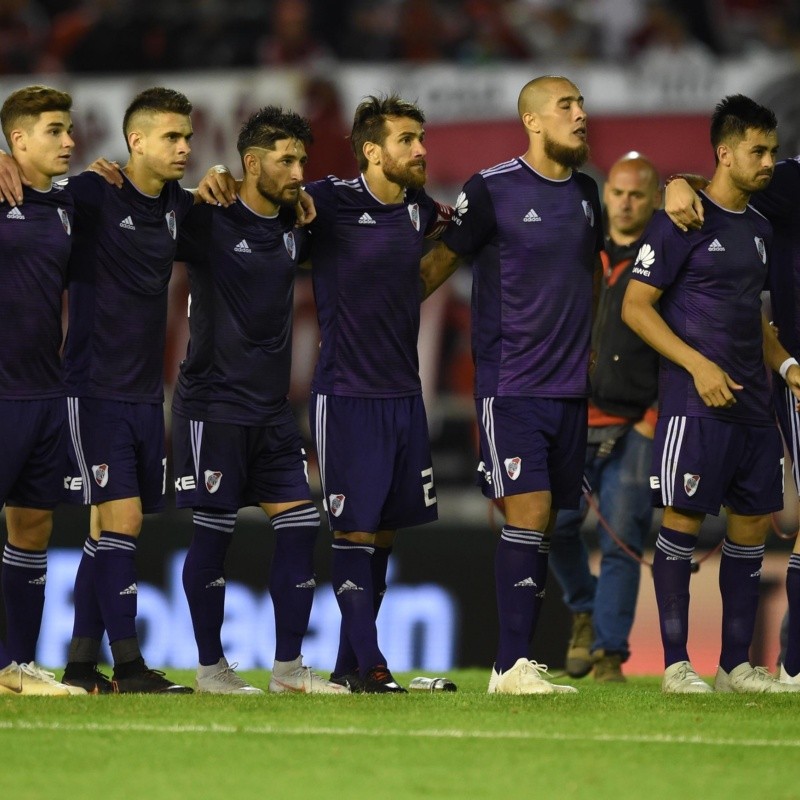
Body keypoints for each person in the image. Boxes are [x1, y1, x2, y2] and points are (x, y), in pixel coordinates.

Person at [420, 75, 603, 694]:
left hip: (569, 387)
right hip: (512, 381)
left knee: (548, 520)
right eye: (566, 106)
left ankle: (519, 661)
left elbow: (593, 277)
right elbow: (438, 264)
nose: (581, 115)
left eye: (581, 105)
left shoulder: (586, 192)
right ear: (532, 120)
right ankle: (509, 667)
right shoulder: (492, 189)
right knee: (529, 512)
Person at [622, 94, 800, 693]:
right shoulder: (682, 219)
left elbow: (752, 317)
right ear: (724, 153)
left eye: (773, 150)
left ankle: (734, 666)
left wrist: (787, 367)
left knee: (750, 529)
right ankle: (675, 665)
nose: (769, 161)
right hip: (695, 405)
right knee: (682, 522)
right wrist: (697, 366)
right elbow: (635, 307)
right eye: (758, 150)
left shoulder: (760, 229)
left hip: (753, 406)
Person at [172, 106, 345, 695]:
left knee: (300, 525)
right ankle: (208, 668)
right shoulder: (207, 217)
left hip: (272, 411)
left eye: (302, 159)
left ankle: (289, 671)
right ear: (251, 163)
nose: (299, 172)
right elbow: (142, 202)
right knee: (212, 533)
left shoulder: (296, 222)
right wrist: (204, 178)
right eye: (286, 160)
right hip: (212, 405)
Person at [55, 87, 198, 694]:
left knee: (104, 531)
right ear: (135, 140)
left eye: (188, 137)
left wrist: (221, 176)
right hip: (92, 388)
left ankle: (83, 665)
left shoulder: (180, 206)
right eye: (172, 137)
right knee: (125, 522)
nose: (184, 148)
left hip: (145, 394)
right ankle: (132, 666)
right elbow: (32, 200)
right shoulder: (93, 193)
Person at [305, 94, 450, 693]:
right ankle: (374, 665)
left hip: (403, 394)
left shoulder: (419, 209)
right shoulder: (329, 201)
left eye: (421, 137)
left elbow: (439, 256)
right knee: (354, 532)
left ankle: (347, 670)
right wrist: (217, 177)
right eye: (407, 139)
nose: (420, 149)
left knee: (384, 533)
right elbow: (257, 196)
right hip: (346, 393)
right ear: (372, 150)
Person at [549, 153, 662, 683]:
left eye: (637, 194)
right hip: (572, 416)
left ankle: (609, 655)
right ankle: (585, 610)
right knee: (553, 523)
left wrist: (654, 415)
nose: (624, 202)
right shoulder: (580, 250)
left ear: (655, 199)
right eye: (616, 191)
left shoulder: (669, 257)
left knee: (622, 535)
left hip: (636, 418)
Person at [0, 85, 84, 696]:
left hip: (44, 390)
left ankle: (17, 667)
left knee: (32, 525)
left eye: (69, 129)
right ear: (17, 138)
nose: (69, 141)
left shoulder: (67, 205)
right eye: (54, 130)